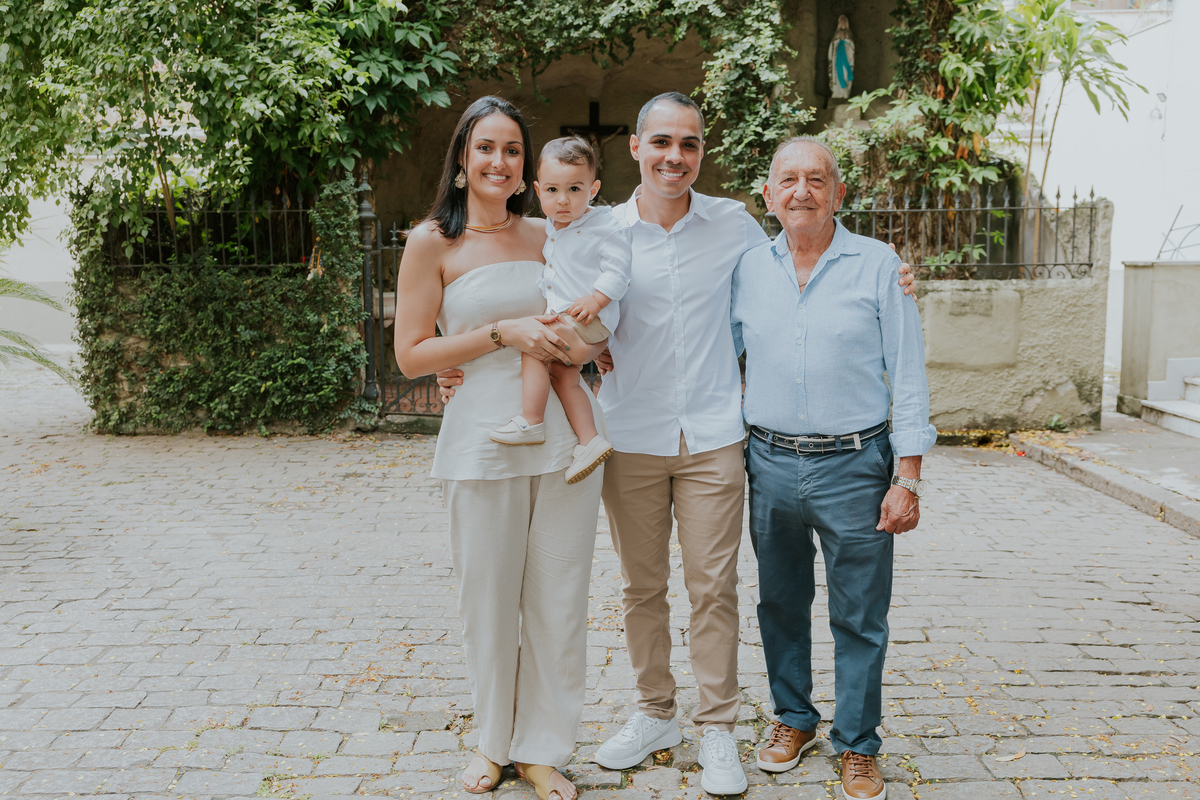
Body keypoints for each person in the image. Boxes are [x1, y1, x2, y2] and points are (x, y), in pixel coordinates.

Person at [439, 92, 914, 795]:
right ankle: (655, 712)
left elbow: (800, 267)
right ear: (635, 148)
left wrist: (891, 272)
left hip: (717, 435)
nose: (674, 156)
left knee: (713, 588)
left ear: (700, 153)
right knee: (641, 588)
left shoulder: (736, 226)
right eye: (661, 142)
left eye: (688, 144)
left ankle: (717, 726)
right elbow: (544, 299)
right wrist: (468, 361)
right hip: (629, 432)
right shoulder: (600, 228)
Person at [393, 96, 608, 800]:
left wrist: (574, 346)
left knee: (557, 598)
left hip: (560, 445)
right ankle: (493, 742)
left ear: (526, 166)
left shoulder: (552, 232)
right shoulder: (431, 241)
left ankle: (544, 750)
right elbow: (410, 355)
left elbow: (614, 278)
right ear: (462, 158)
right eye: (486, 147)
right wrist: (498, 335)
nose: (499, 161)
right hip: (480, 442)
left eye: (513, 150)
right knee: (487, 601)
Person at [733, 136, 936, 800]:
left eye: (816, 180)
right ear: (768, 195)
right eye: (787, 180)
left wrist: (907, 476)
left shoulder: (879, 265)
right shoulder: (746, 270)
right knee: (780, 604)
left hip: (856, 465)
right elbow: (705, 356)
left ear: (839, 194)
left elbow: (907, 374)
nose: (802, 191)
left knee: (859, 614)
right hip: (767, 460)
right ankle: (793, 718)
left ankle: (858, 742)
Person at [489, 136, 631, 485]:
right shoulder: (553, 226)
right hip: (574, 321)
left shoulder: (605, 225)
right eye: (552, 190)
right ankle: (590, 440)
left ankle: (531, 420)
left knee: (533, 345)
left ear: (594, 188)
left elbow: (620, 271)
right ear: (538, 190)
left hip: (588, 320)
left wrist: (596, 300)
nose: (563, 200)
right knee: (565, 376)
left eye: (574, 189)